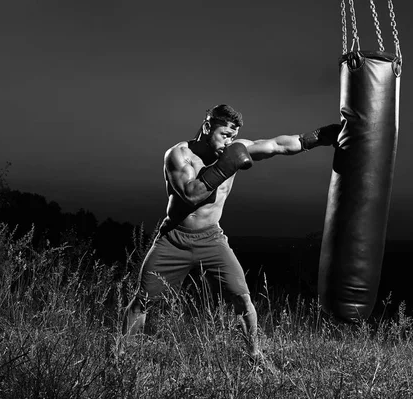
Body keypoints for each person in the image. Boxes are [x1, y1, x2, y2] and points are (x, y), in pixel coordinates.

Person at [121, 104, 341, 358]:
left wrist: (320, 137)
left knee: (243, 299)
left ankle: (255, 357)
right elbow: (192, 195)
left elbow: (279, 145)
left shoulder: (235, 149)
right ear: (207, 127)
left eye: (233, 137)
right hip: (174, 238)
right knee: (144, 301)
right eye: (224, 134)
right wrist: (226, 165)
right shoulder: (179, 155)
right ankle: (123, 355)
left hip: (211, 238)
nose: (229, 143)